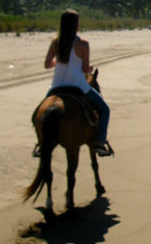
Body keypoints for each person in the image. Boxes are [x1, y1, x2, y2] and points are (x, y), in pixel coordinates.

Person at [41, 9, 112, 157]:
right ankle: (100, 142)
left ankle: (40, 144)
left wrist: (59, 63)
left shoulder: (55, 42)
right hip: (79, 86)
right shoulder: (83, 44)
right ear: (76, 25)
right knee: (104, 109)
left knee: (39, 113)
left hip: (57, 86)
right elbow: (85, 69)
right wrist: (89, 68)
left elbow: (47, 64)